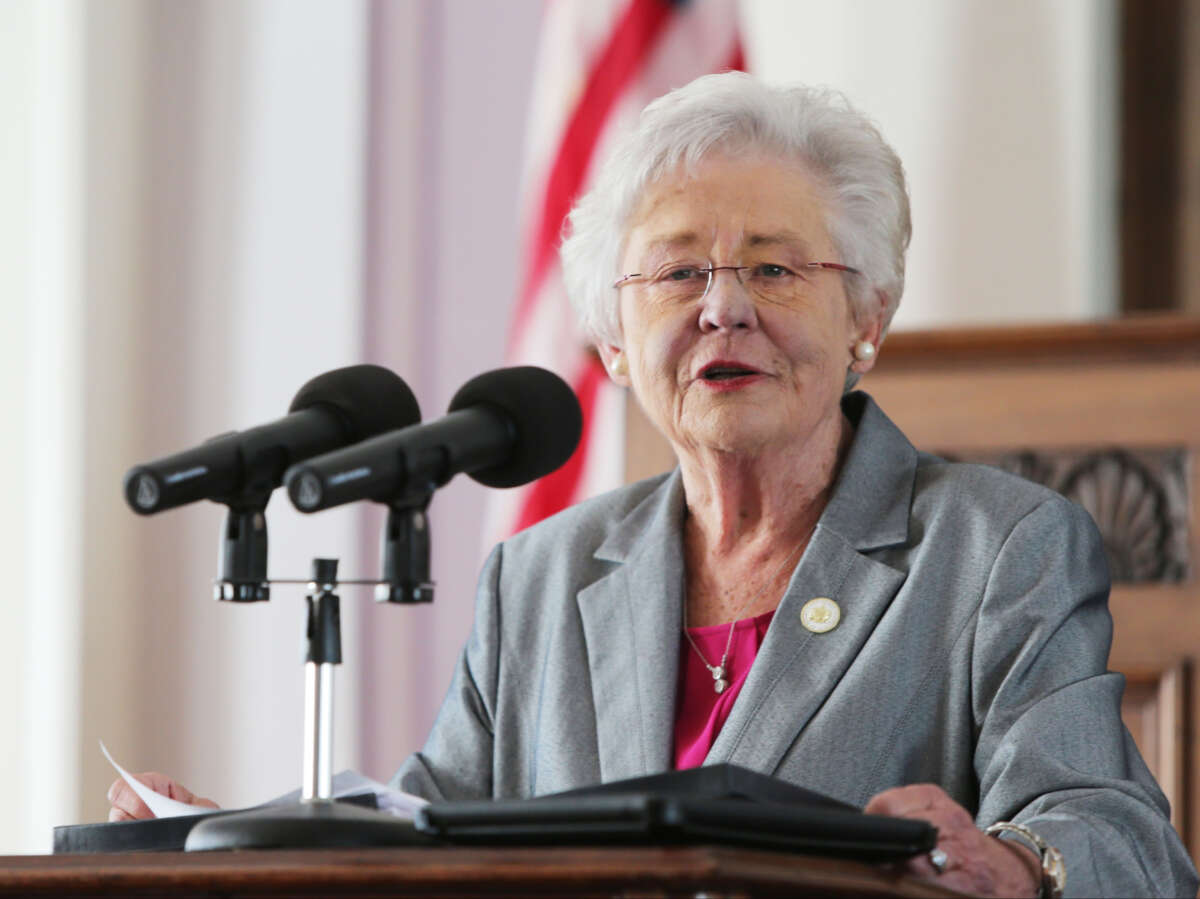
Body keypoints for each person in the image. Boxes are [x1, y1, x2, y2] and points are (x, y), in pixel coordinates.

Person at [109, 73, 1197, 897]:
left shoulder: (996, 550)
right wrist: (242, 841)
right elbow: (425, 834)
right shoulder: (539, 575)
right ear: (617, 343)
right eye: (678, 271)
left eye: (773, 267)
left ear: (866, 319)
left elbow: (1122, 835)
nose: (723, 307)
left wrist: (1014, 861)